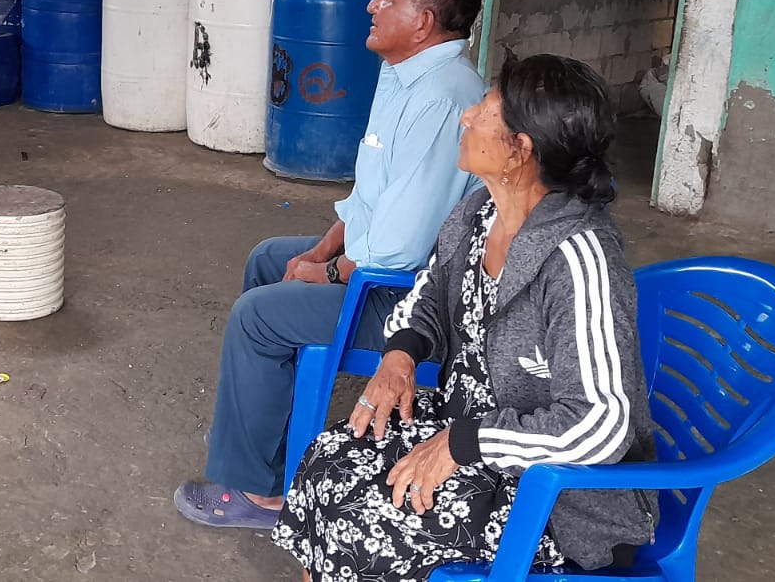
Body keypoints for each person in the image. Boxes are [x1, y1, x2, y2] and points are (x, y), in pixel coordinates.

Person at [273, 55, 658, 580]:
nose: (466, 116)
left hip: (557, 496)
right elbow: (427, 295)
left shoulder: (578, 259)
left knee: (366, 522)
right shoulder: (478, 212)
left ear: (521, 150)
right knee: (328, 461)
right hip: (468, 427)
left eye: (485, 110)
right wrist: (400, 356)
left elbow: (601, 425)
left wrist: (464, 444)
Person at [175, 0, 488, 529]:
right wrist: (320, 253)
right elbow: (370, 196)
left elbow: (399, 249)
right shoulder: (405, 74)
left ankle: (261, 495)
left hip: (412, 302)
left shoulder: (443, 100)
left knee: (257, 317)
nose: (372, 5)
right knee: (269, 258)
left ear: (422, 22)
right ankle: (265, 436)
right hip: (385, 270)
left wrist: (328, 272)